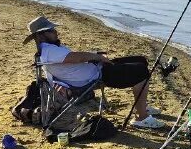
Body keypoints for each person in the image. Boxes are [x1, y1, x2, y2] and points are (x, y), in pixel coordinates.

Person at [24, 16, 165, 129]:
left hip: (95, 69)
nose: (55, 32)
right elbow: (75, 57)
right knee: (141, 72)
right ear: (41, 35)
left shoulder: (49, 49)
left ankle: (142, 105)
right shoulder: (50, 51)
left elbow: (74, 59)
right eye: (51, 30)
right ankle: (141, 117)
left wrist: (95, 56)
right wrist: (97, 57)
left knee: (141, 60)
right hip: (97, 76)